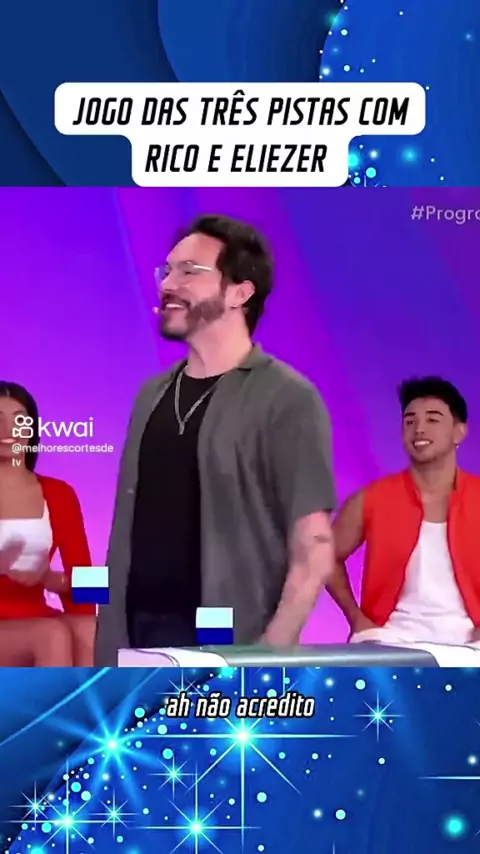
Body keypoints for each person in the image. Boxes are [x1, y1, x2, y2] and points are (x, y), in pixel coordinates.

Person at [95, 214, 336, 665]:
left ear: (239, 293)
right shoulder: (151, 395)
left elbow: (314, 547)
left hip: (232, 644)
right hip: (133, 639)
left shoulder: (287, 397)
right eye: (167, 271)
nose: (168, 285)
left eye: (189, 271)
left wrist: (271, 651)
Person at [328, 376, 480, 648]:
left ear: (459, 432)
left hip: (471, 643)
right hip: (390, 638)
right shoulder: (373, 498)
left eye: (433, 420)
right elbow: (324, 556)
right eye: (410, 421)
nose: (419, 429)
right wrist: (357, 619)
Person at [0, 382, 97, 666]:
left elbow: (90, 583)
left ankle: (87, 698)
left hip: (36, 614)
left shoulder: (59, 493)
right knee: (50, 635)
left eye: (19, 420)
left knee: (90, 629)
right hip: (30, 629)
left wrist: (50, 579)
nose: (8, 430)